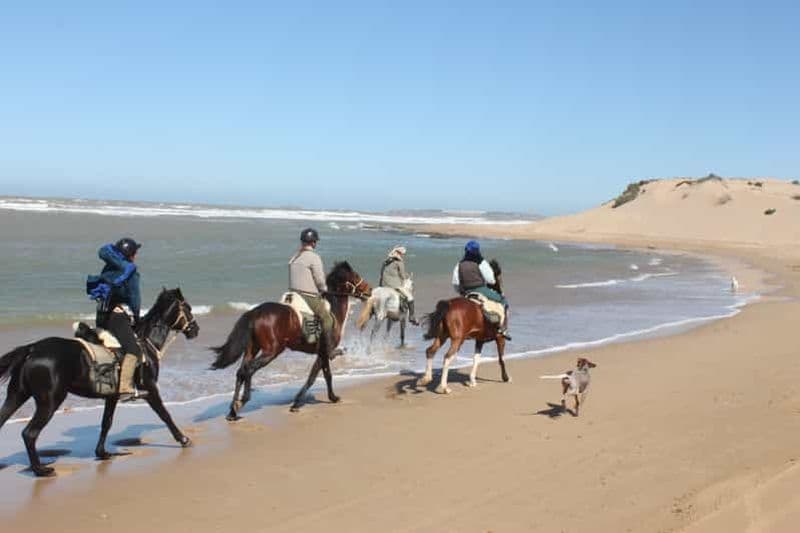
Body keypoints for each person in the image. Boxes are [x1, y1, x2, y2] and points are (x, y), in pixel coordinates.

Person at [87, 237, 145, 401]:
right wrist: (137, 316)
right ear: (131, 255)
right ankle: (125, 388)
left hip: (101, 315)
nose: (136, 255)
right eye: (135, 252)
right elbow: (135, 298)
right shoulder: (131, 272)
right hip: (116, 317)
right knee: (133, 350)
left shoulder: (109, 266)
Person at [288, 228, 337, 358]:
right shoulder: (314, 257)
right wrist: (325, 289)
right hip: (307, 296)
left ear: (303, 242)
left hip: (292, 295)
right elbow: (320, 280)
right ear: (314, 243)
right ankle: (329, 350)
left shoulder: (295, 257)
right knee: (327, 319)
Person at [451, 240, 511, 339]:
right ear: (478, 251)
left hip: (466, 292)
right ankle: (503, 329)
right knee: (503, 300)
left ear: (466, 251)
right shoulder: (481, 262)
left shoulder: (459, 264)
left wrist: (462, 292)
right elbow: (491, 280)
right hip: (481, 289)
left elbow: (455, 283)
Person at [379, 245, 419, 325]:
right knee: (410, 298)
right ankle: (412, 317)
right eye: (402, 253)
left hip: (383, 285)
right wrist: (409, 276)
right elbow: (403, 276)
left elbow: (381, 273)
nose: (402, 255)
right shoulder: (399, 262)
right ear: (398, 253)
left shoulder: (386, 261)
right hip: (394, 285)